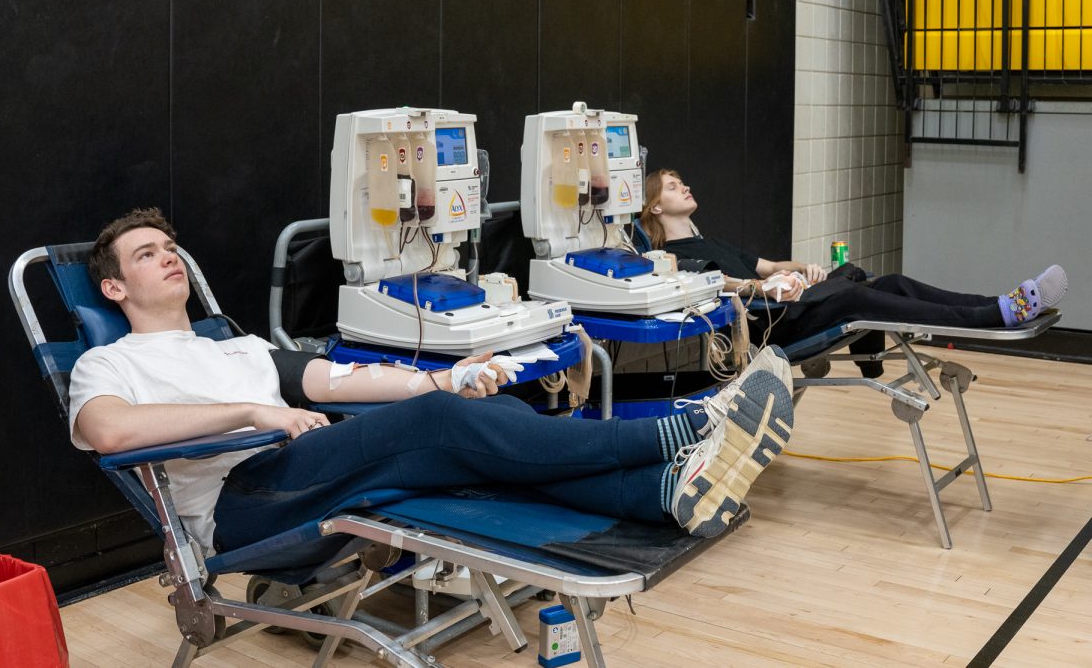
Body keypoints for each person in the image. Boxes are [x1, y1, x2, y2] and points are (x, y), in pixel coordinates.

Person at [68, 208, 797, 555]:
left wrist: (446, 377)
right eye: (146, 254)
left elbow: (341, 378)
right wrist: (255, 410)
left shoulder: (236, 345)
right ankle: (678, 430)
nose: (169, 258)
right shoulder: (109, 363)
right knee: (441, 429)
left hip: (293, 467)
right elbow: (109, 432)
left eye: (171, 246)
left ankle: (660, 488)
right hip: (236, 503)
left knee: (465, 455)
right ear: (111, 287)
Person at [637, 169, 1068, 371]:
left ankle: (999, 304)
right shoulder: (672, 256)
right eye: (674, 187)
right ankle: (993, 315)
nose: (686, 186)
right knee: (855, 298)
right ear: (656, 206)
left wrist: (802, 267)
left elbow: (772, 265)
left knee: (881, 279)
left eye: (683, 181)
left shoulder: (712, 241)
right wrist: (763, 286)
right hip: (774, 326)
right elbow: (720, 284)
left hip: (796, 300)